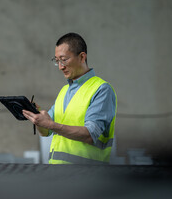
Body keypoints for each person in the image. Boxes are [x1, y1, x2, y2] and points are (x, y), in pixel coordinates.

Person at [22, 33, 117, 164]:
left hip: (88, 176)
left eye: (64, 59)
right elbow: (46, 132)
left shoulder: (101, 89)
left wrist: (51, 124)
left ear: (82, 57)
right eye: (57, 61)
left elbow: (90, 134)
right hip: (58, 175)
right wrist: (38, 119)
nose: (60, 66)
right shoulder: (64, 91)